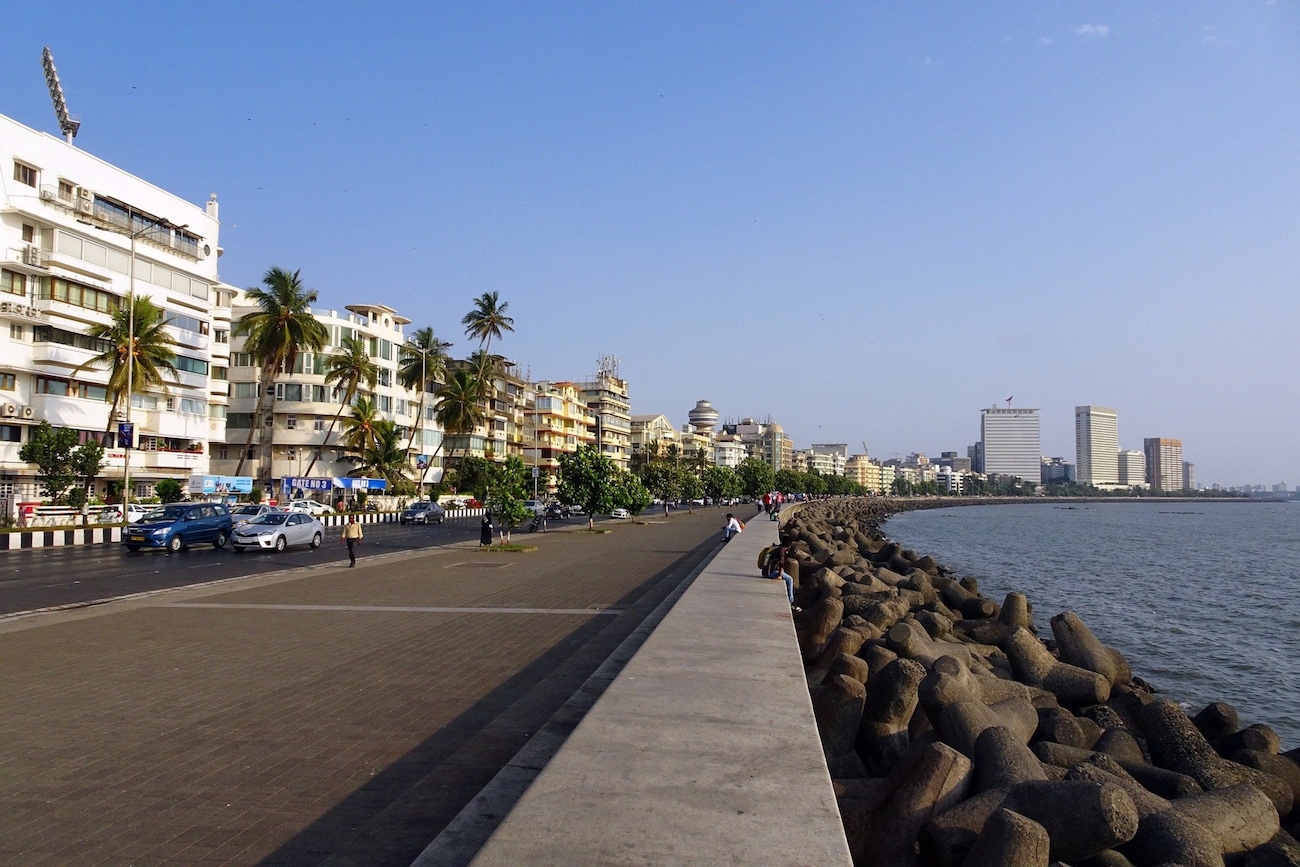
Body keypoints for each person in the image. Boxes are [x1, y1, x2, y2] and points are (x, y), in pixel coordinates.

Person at [765, 537, 799, 611]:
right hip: (772, 573)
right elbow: (781, 565)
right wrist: (780, 576)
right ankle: (791, 601)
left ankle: (790, 598)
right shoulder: (782, 552)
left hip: (768, 571)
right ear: (789, 545)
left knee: (787, 577)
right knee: (790, 579)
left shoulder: (778, 548)